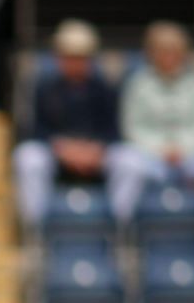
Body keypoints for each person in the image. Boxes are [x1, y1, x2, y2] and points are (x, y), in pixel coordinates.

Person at [11, 19, 127, 226]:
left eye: (80, 57)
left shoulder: (104, 88)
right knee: (27, 157)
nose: (75, 62)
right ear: (59, 58)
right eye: (69, 56)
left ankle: (119, 227)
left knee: (130, 161)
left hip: (96, 155)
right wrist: (62, 148)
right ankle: (35, 228)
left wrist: (95, 149)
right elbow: (35, 130)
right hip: (58, 154)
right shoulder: (45, 88)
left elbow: (114, 131)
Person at [110, 20, 194, 222]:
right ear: (152, 53)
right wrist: (160, 150)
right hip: (148, 156)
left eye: (173, 51)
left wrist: (182, 149)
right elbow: (131, 127)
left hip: (187, 155)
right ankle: (121, 226)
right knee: (125, 162)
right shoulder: (138, 83)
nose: (168, 57)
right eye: (163, 51)